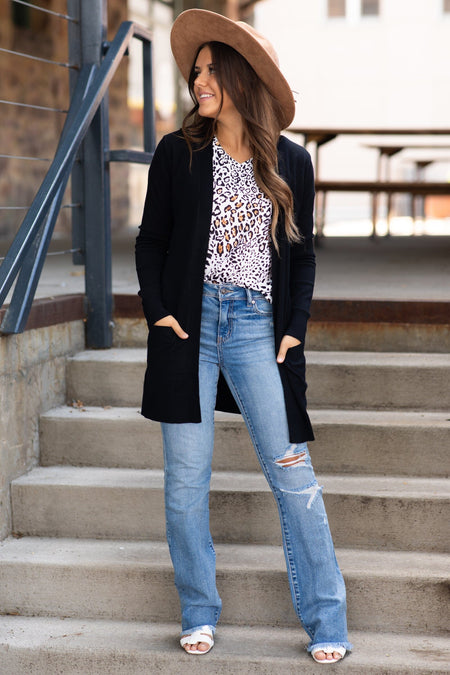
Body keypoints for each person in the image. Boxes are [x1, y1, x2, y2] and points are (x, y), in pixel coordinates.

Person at [135, 8, 352, 665]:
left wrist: (294, 329)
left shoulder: (290, 161)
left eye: (207, 70)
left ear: (238, 74)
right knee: (184, 484)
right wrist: (159, 312)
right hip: (190, 328)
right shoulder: (178, 154)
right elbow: (151, 240)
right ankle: (198, 609)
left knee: (295, 479)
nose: (197, 80)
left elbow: (303, 255)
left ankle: (327, 619)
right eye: (194, 71)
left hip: (259, 328)